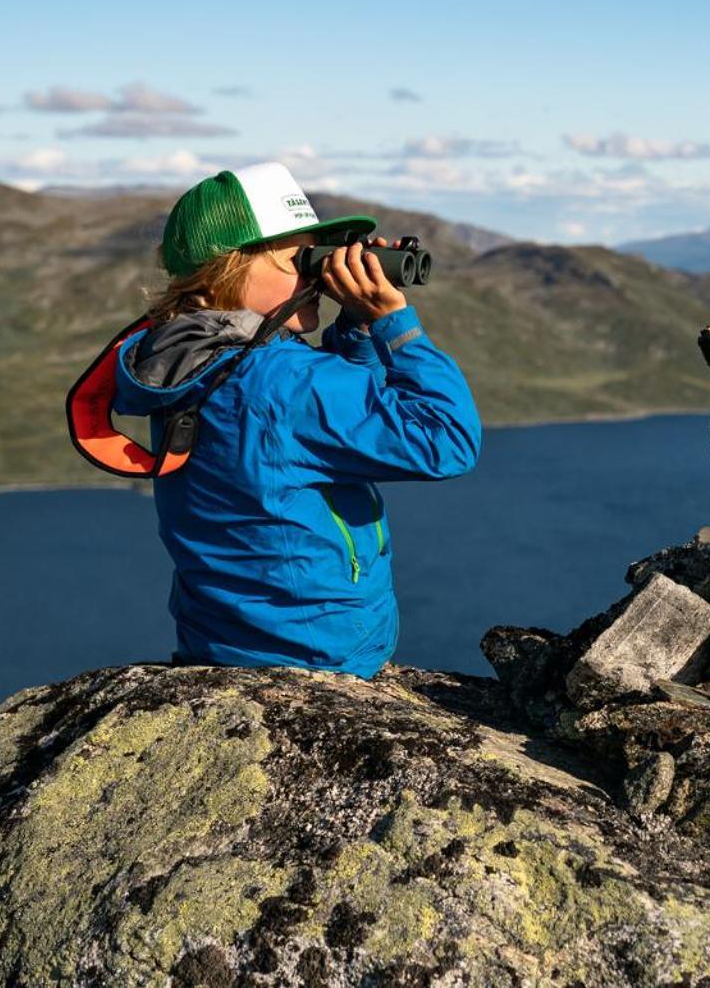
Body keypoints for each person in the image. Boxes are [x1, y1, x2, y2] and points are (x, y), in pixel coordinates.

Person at [109, 162, 482, 677]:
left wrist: (353, 324)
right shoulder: (283, 380)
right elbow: (447, 440)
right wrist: (395, 325)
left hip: (225, 641)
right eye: (299, 260)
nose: (317, 275)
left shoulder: (191, 353)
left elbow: (328, 420)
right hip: (314, 656)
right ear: (230, 268)